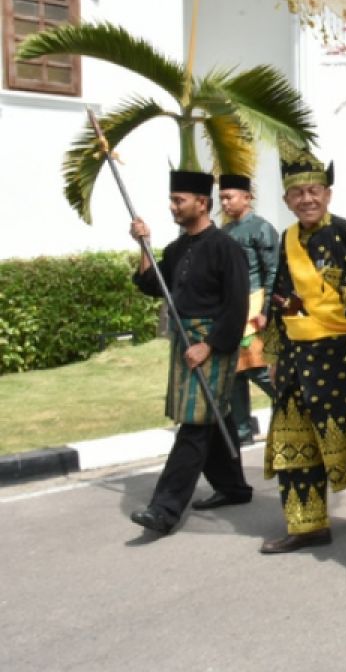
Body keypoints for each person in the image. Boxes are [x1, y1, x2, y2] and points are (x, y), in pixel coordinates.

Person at [260, 152, 346, 553]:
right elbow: (282, 296)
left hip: (336, 355)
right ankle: (307, 525)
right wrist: (276, 352)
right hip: (295, 356)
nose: (306, 199)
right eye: (297, 193)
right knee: (294, 445)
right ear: (286, 200)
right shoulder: (287, 238)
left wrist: (343, 305)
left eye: (313, 190)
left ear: (328, 194)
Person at [128, 169, 252, 534]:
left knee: (196, 422)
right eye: (172, 200)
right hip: (185, 341)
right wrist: (144, 245)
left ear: (202, 203)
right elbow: (154, 286)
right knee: (214, 415)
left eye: (179, 200)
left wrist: (209, 345)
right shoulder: (176, 248)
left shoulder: (227, 248)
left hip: (213, 343)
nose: (173, 207)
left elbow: (236, 307)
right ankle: (233, 487)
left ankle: (164, 510)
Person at [218, 173, 279, 445]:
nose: (225, 202)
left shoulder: (261, 228)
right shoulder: (224, 232)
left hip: (255, 311)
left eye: (229, 197)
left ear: (247, 197)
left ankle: (290, 409)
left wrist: (266, 309)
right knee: (234, 374)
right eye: (221, 198)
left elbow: (273, 271)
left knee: (260, 369)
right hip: (231, 311)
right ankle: (242, 431)